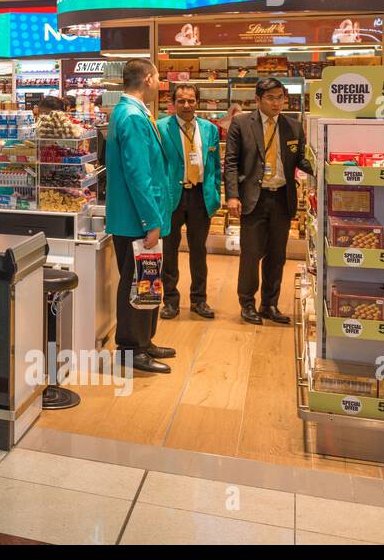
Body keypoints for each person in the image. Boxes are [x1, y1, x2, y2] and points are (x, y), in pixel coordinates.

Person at [224, 77, 313, 326]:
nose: (277, 103)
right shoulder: (241, 123)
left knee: (277, 255)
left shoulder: (293, 126)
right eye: (271, 98)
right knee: (250, 254)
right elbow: (230, 162)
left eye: (281, 97)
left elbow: (302, 161)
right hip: (254, 198)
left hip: (282, 198)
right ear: (258, 99)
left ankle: (270, 304)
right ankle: (248, 304)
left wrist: (324, 166)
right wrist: (232, 195)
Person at [104, 59, 173, 374]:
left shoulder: (133, 113)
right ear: (148, 78)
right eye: (158, 78)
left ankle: (144, 341)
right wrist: (151, 220)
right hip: (137, 219)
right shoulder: (132, 116)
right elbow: (138, 174)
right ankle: (131, 347)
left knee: (147, 280)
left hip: (140, 217)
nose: (160, 84)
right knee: (136, 281)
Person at [157, 84, 221, 320]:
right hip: (172, 196)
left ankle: (199, 300)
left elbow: (215, 164)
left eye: (191, 101)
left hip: (200, 196)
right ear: (172, 102)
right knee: (169, 250)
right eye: (181, 101)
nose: (186, 105)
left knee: (199, 251)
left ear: (198, 102)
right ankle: (170, 301)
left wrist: (215, 192)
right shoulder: (161, 127)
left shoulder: (209, 129)